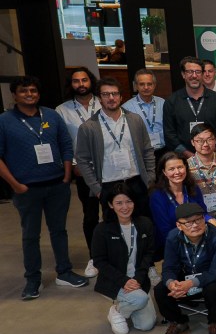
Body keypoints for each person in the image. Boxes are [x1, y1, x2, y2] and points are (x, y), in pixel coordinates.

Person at [0, 76, 80, 298]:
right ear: (14, 95)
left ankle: (64, 271)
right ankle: (33, 279)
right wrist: (15, 185)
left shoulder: (51, 115)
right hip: (26, 189)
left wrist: (66, 176)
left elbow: (66, 145)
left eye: (33, 90)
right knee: (30, 235)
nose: (29, 94)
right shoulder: (4, 121)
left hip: (57, 185)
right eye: (24, 91)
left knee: (59, 231)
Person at [153, 202, 216, 334]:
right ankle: (178, 322)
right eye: (189, 222)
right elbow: (169, 267)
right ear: (179, 226)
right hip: (187, 279)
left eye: (198, 219)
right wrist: (172, 283)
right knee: (160, 289)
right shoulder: (173, 237)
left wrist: (190, 283)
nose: (195, 225)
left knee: (213, 287)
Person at [75, 78, 155, 215]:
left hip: (136, 182)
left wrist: (150, 178)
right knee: (113, 226)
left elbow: (147, 150)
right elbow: (82, 160)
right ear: (99, 98)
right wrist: (97, 189)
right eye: (106, 94)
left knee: (144, 222)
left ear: (121, 97)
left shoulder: (135, 120)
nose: (111, 98)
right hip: (108, 186)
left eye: (115, 93)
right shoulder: (88, 127)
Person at [92, 184, 157, 334]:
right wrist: (124, 281)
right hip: (115, 281)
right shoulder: (102, 229)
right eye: (119, 203)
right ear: (111, 205)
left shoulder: (145, 224)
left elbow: (149, 254)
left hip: (138, 280)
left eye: (129, 201)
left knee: (146, 325)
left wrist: (138, 278)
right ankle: (117, 311)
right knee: (140, 300)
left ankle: (125, 306)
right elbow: (99, 261)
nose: (125, 207)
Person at [58, 68, 101, 276]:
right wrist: (73, 165)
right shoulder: (62, 110)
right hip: (83, 170)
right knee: (90, 215)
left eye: (84, 80)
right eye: (76, 81)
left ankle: (115, 254)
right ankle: (94, 257)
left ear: (91, 81)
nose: (81, 84)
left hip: (109, 167)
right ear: (71, 84)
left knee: (114, 212)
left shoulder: (104, 102)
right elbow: (63, 142)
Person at [148, 152, 211, 257]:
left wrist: (210, 219)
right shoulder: (157, 195)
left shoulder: (193, 188)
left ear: (185, 168)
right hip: (173, 244)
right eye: (171, 169)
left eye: (180, 167)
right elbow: (164, 230)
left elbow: (203, 213)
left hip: (198, 238)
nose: (177, 172)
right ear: (164, 172)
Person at [163, 57, 216, 157]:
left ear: (203, 74)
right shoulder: (172, 102)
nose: (194, 76)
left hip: (214, 157)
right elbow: (169, 134)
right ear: (183, 74)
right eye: (190, 72)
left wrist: (213, 151)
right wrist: (189, 155)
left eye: (198, 72)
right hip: (183, 159)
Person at [186, 123, 216, 216]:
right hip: (199, 216)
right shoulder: (187, 166)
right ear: (192, 142)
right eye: (200, 141)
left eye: (209, 139)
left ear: (215, 140)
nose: (205, 144)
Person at [122, 69, 165, 155]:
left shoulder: (163, 103)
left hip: (163, 150)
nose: (146, 87)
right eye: (142, 84)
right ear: (136, 86)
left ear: (154, 85)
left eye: (149, 84)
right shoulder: (126, 108)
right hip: (142, 153)